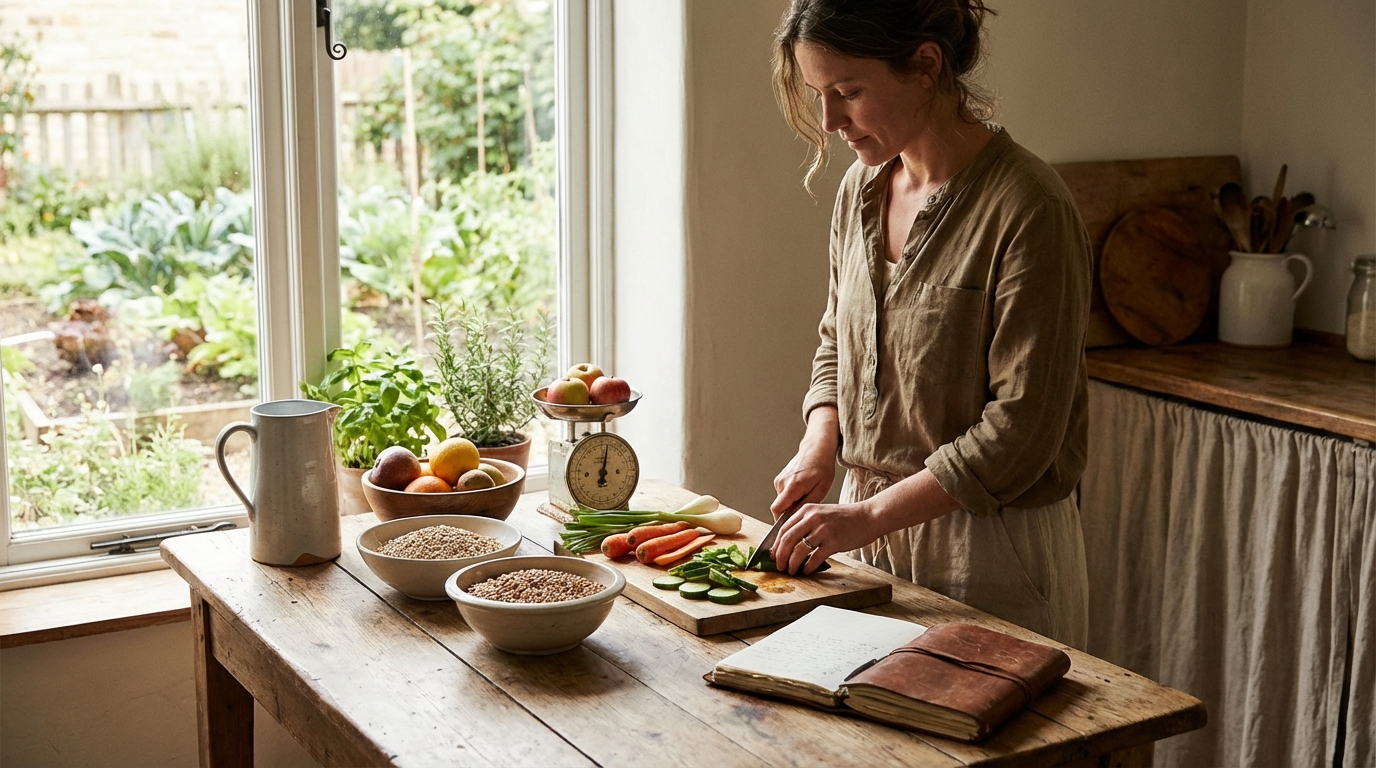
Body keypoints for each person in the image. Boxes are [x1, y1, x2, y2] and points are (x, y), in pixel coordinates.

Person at [767, 0, 1092, 648]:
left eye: (848, 92)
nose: (831, 121)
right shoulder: (860, 190)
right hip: (865, 537)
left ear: (924, 65)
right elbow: (839, 339)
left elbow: (1022, 432)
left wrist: (869, 515)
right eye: (818, 95)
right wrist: (819, 445)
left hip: (991, 548)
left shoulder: (1030, 206)